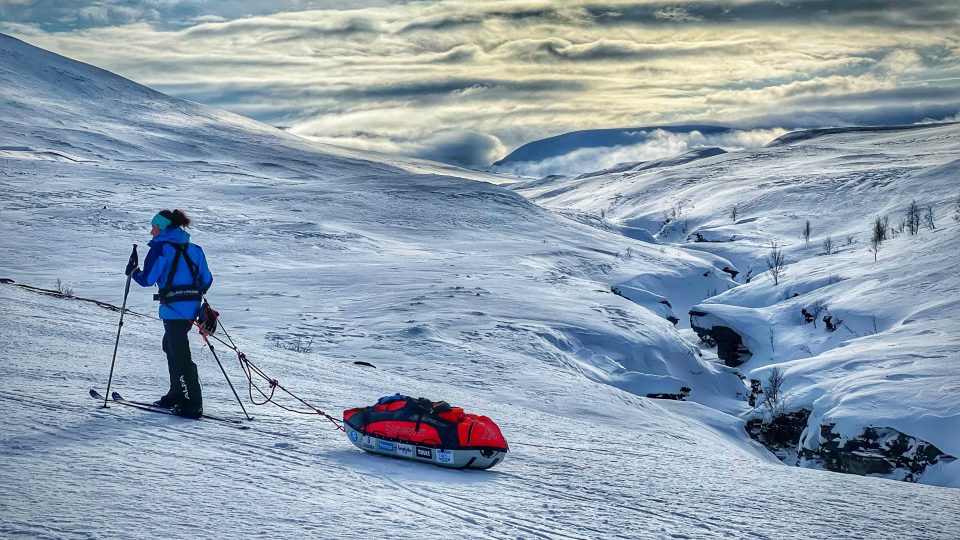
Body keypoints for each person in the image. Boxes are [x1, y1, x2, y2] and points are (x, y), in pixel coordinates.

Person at [125, 209, 213, 418]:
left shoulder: (160, 249)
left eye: (154, 226)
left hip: (173, 309)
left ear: (163, 227)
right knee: (171, 346)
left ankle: (193, 403)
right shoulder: (195, 249)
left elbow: (148, 279)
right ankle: (176, 394)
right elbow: (207, 280)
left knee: (180, 353)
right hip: (192, 309)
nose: (151, 231)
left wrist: (133, 271)